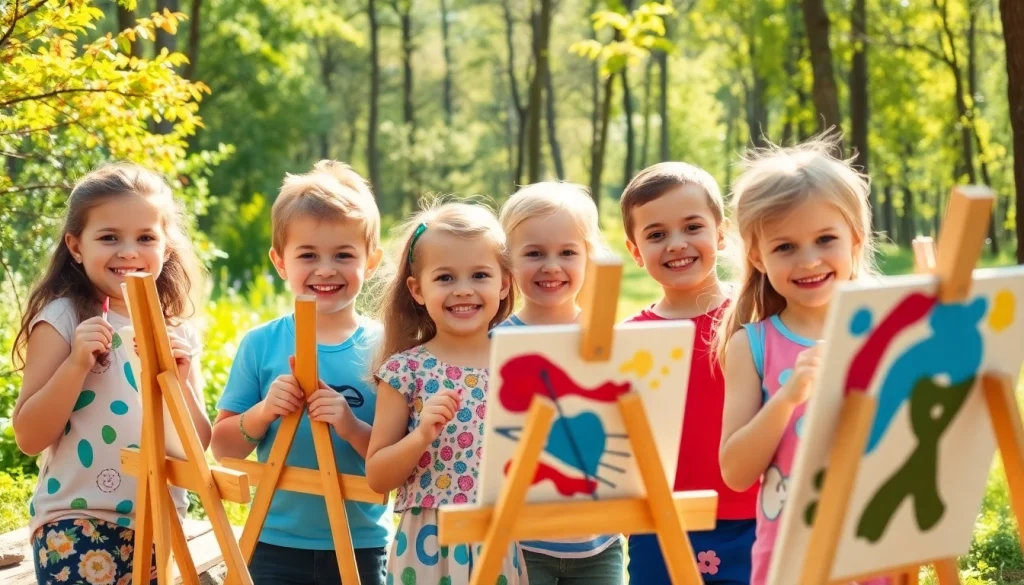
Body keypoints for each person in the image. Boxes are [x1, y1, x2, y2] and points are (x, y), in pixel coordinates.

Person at [12, 163, 210, 585]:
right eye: (108, 237)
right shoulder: (63, 319)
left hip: (160, 524)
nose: (129, 252)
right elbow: (29, 437)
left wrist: (177, 379)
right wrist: (75, 365)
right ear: (76, 246)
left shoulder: (175, 332)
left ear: (166, 247)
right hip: (77, 523)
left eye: (145, 238)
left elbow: (194, 448)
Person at [211, 161, 392, 585]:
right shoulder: (261, 344)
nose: (325, 269)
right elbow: (223, 447)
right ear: (280, 261)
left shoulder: (387, 350)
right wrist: (263, 412)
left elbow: (396, 460)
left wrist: (349, 425)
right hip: (272, 541)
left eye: (343, 255)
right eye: (308, 255)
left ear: (371, 261)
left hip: (360, 541)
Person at [716, 135, 887, 585]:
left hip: (878, 548)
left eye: (825, 239)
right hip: (790, 561)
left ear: (855, 236)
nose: (809, 261)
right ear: (758, 255)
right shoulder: (752, 345)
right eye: (785, 247)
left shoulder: (887, 332)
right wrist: (788, 397)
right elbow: (735, 471)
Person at [366, 201, 527, 585]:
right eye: (445, 278)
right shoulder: (405, 371)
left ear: (503, 283)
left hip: (497, 536)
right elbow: (377, 475)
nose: (463, 290)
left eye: (479, 275)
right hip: (428, 544)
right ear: (417, 289)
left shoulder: (518, 366)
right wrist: (421, 435)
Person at [621, 162, 758, 584]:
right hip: (661, 523)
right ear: (635, 251)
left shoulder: (757, 317)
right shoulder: (629, 340)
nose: (676, 244)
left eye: (692, 227)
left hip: (755, 514)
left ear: (721, 233)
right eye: (657, 234)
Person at [497, 182, 623, 584]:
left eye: (567, 252)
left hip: (599, 543)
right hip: (519, 544)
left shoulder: (608, 337)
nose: (551, 265)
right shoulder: (495, 341)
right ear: (508, 263)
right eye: (534, 253)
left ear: (589, 257)